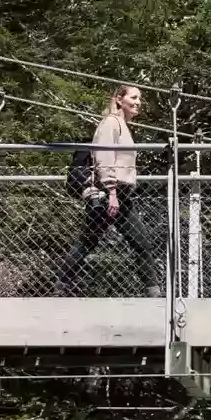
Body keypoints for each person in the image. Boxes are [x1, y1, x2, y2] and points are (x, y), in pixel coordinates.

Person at [56, 83, 149, 289]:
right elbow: (104, 158)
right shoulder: (110, 123)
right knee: (92, 241)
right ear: (119, 99)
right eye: (133, 98)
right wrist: (112, 192)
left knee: (138, 242)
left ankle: (63, 282)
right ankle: (63, 282)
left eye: (139, 98)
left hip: (121, 194)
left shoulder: (123, 126)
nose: (138, 102)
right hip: (112, 193)